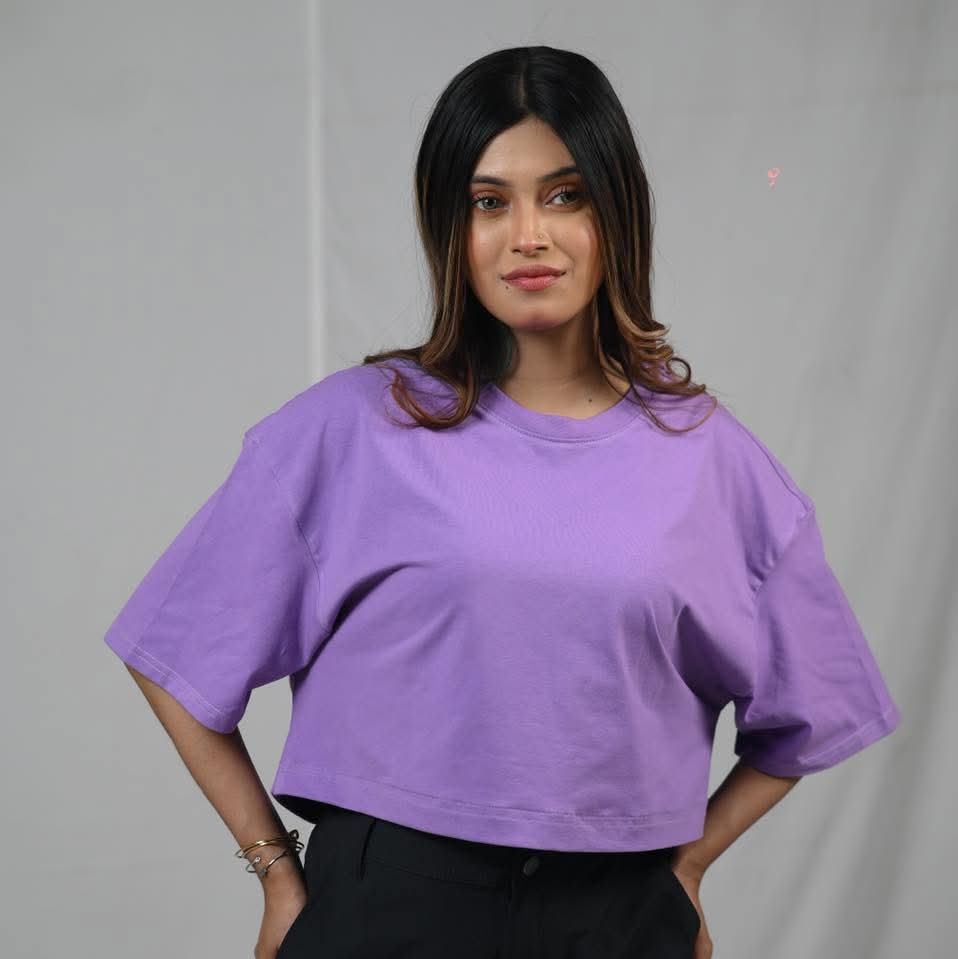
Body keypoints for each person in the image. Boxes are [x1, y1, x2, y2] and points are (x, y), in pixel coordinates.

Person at [103, 45, 901, 959]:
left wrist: (683, 868)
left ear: (617, 213)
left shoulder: (711, 460)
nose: (529, 235)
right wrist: (275, 870)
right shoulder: (351, 429)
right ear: (451, 227)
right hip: (388, 909)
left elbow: (815, 705)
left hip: (616, 916)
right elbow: (174, 653)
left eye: (565, 196)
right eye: (490, 202)